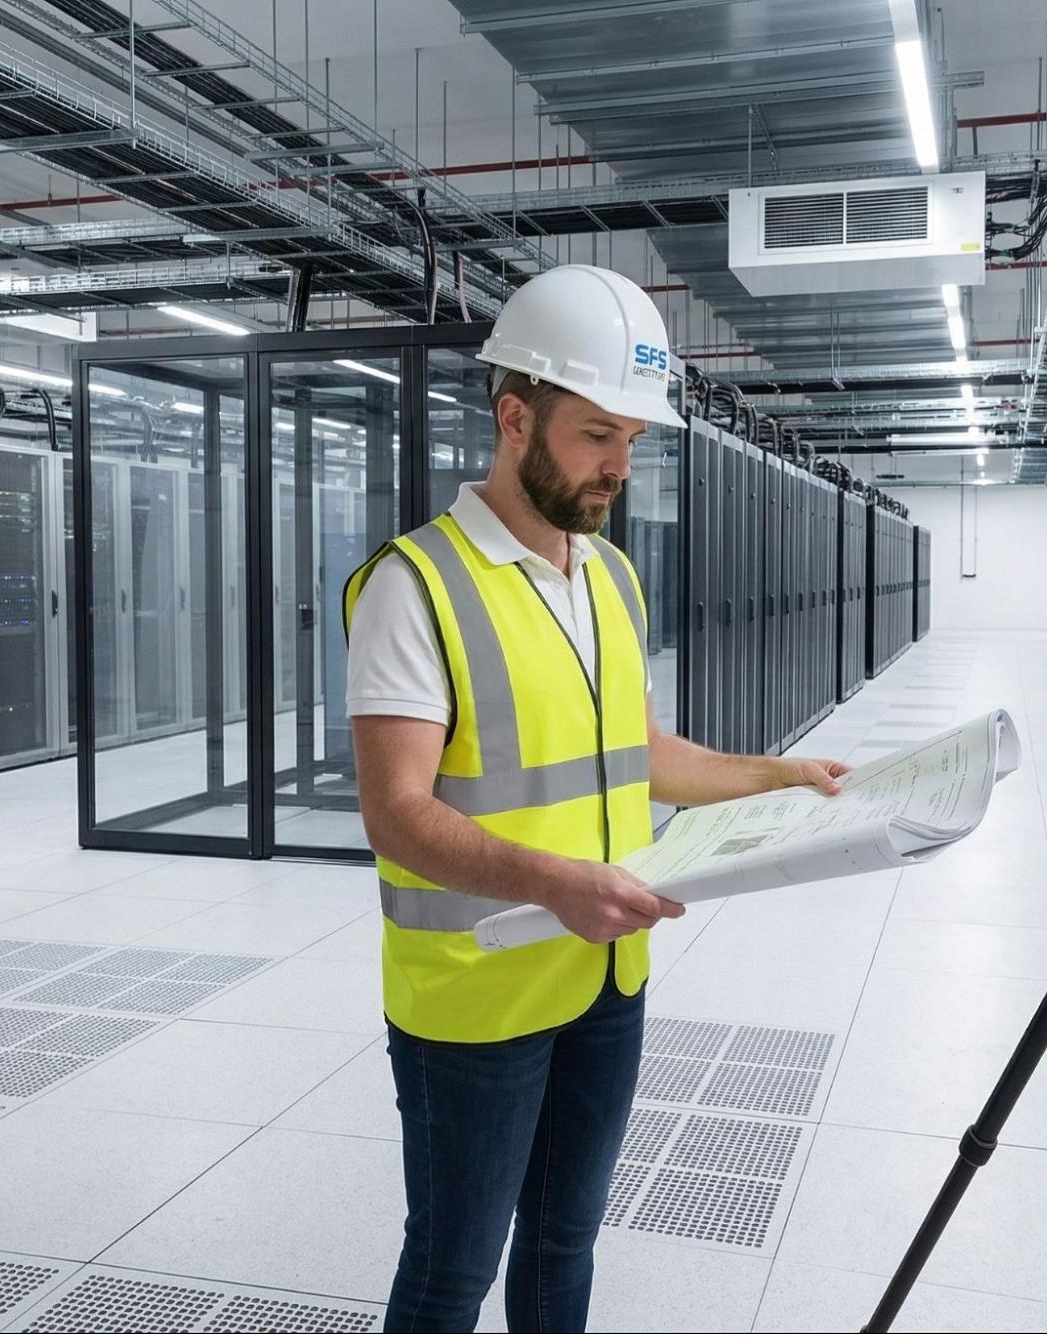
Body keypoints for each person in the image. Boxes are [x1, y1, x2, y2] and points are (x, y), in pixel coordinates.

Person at [343, 263, 852, 1334]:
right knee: (451, 1266)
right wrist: (553, 882)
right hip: (474, 994)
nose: (621, 465)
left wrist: (779, 773)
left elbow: (637, 753)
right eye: (595, 435)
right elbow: (395, 810)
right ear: (514, 416)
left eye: (634, 440)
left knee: (566, 1238)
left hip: (606, 973)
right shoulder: (416, 583)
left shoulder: (608, 577)